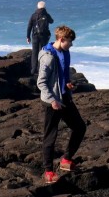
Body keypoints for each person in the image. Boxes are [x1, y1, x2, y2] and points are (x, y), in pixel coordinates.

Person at [37, 25, 86, 184]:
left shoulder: (65, 52)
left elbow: (63, 76)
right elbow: (41, 83)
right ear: (61, 39)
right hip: (52, 102)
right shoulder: (48, 57)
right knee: (50, 136)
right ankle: (48, 172)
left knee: (79, 127)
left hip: (64, 98)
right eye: (70, 42)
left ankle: (66, 160)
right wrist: (52, 100)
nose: (71, 44)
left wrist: (68, 85)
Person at [26, 1, 54, 75]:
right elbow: (52, 21)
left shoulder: (33, 15)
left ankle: (33, 70)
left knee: (34, 52)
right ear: (44, 7)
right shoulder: (46, 15)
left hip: (35, 36)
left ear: (37, 7)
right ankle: (40, 69)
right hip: (44, 36)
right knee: (42, 52)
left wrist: (28, 37)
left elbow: (29, 27)